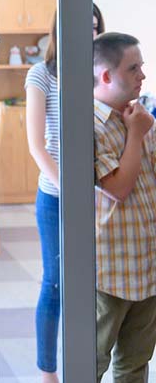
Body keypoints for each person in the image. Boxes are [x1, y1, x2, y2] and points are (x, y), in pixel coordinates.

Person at [25, 3, 105, 383]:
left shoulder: (101, 76)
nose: (87, 34)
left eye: (94, 27)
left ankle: (92, 363)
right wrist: (70, 190)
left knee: (98, 282)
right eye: (80, 26)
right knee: (55, 281)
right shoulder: (42, 75)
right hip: (56, 197)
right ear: (60, 31)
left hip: (100, 197)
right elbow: (37, 145)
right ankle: (47, 372)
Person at [93, 32, 156, 383]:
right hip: (111, 269)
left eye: (142, 66)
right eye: (133, 68)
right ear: (106, 76)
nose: (142, 75)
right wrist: (137, 134)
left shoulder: (139, 116)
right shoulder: (91, 123)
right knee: (93, 359)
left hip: (146, 265)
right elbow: (118, 187)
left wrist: (142, 129)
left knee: (135, 362)